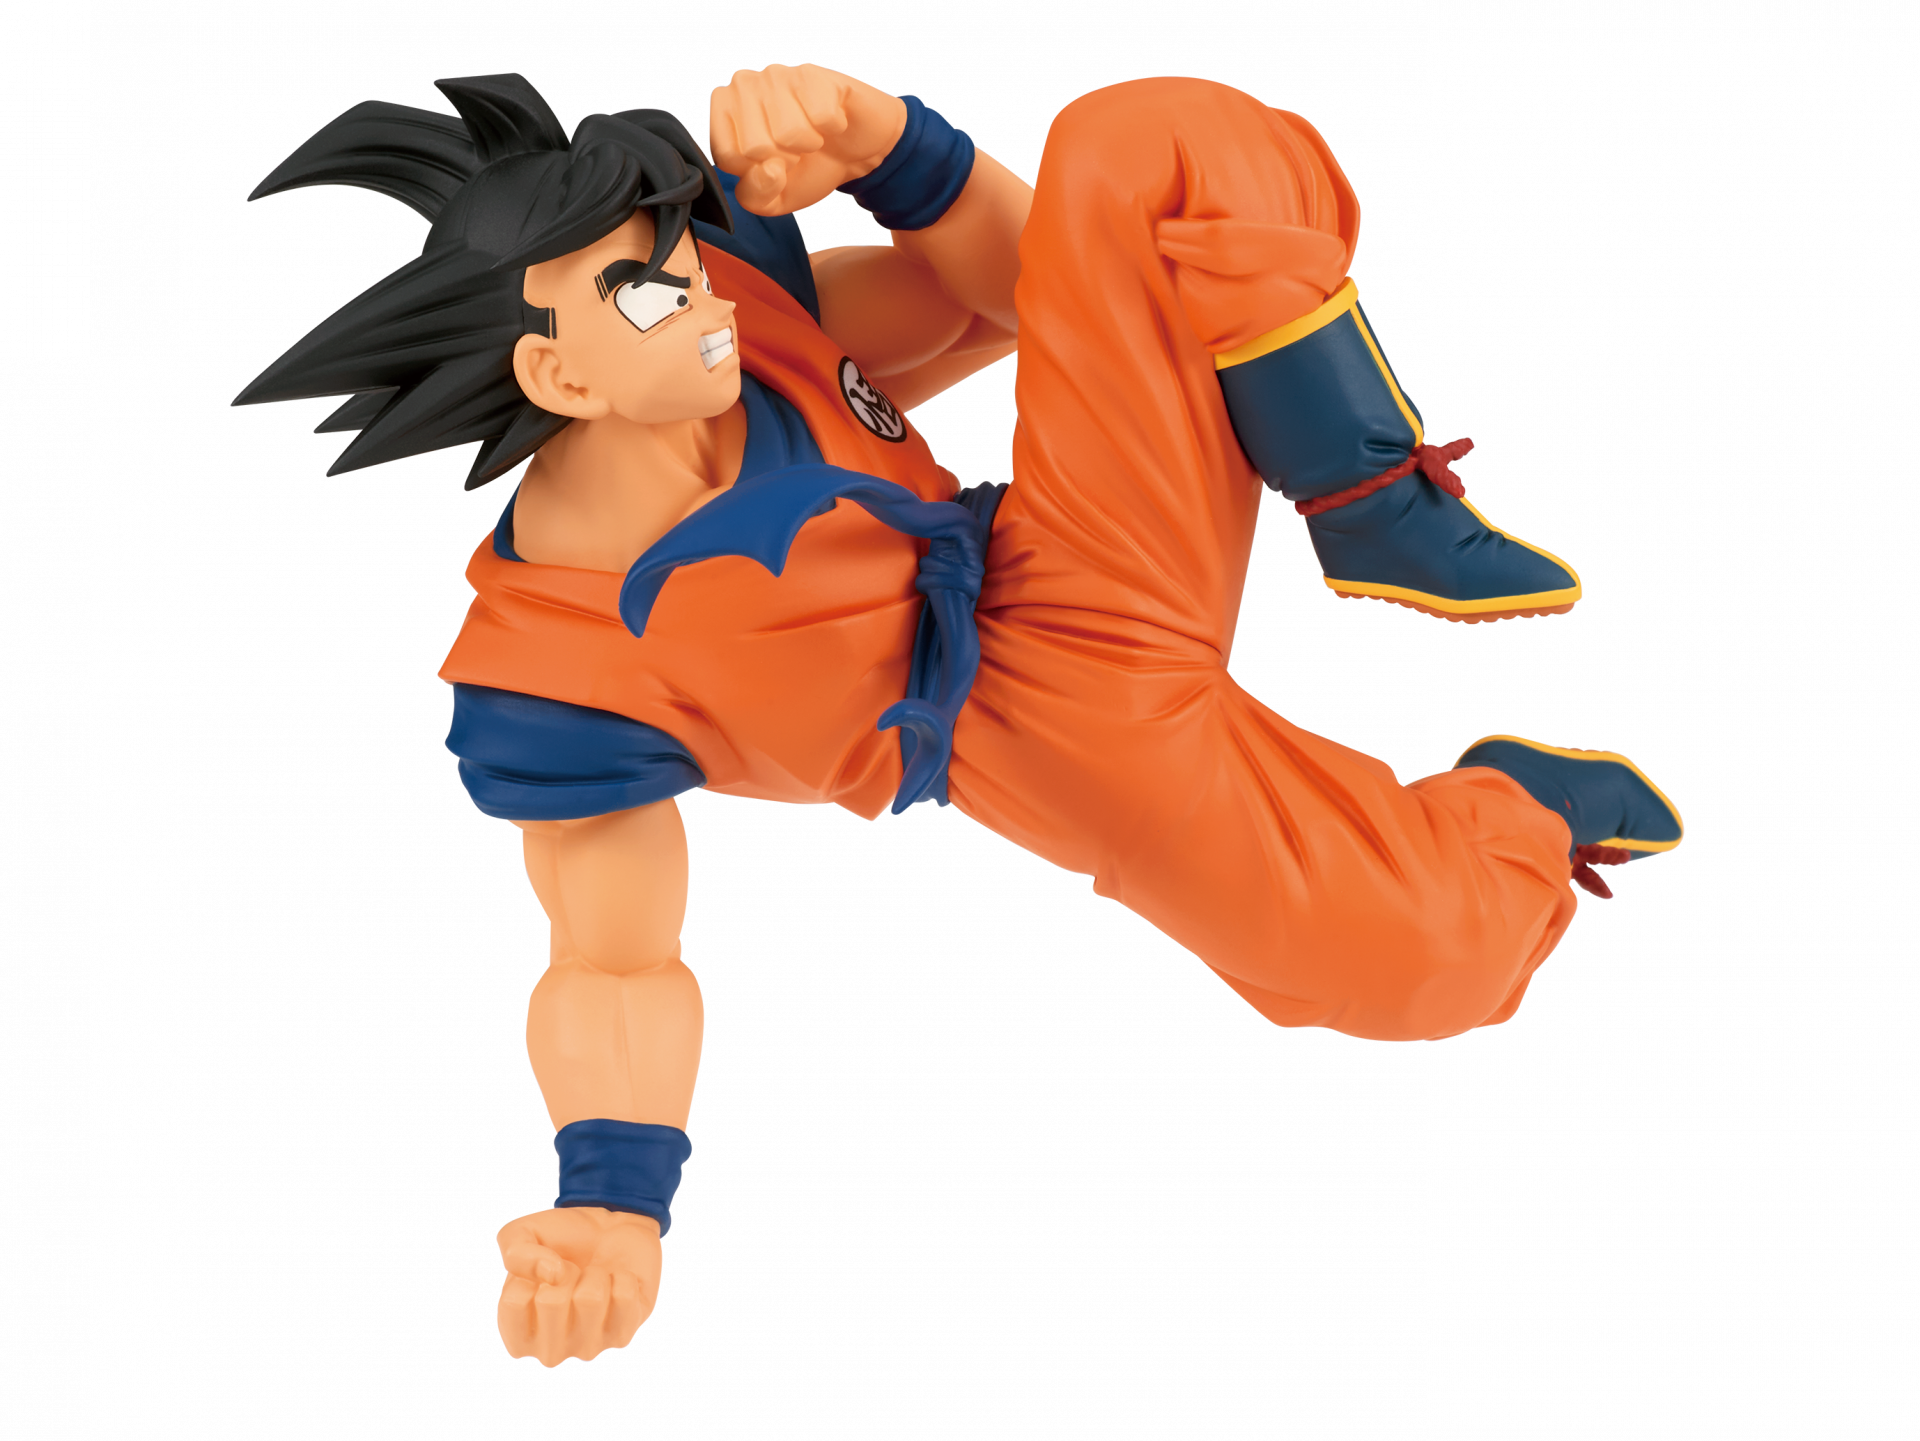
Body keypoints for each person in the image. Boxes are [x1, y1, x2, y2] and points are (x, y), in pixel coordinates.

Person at [234, 64, 1683, 1367]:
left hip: (1072, 551)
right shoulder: (554, 670)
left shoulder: (745, 322)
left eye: (678, 253)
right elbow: (614, 959)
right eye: (651, 294)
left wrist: (890, 146)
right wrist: (613, 1199)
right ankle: (1524, 804)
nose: (701, 289)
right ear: (556, 375)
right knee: (1401, 964)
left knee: (1149, 143)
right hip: (1037, 741)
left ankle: (1369, 496)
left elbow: (1026, 288)